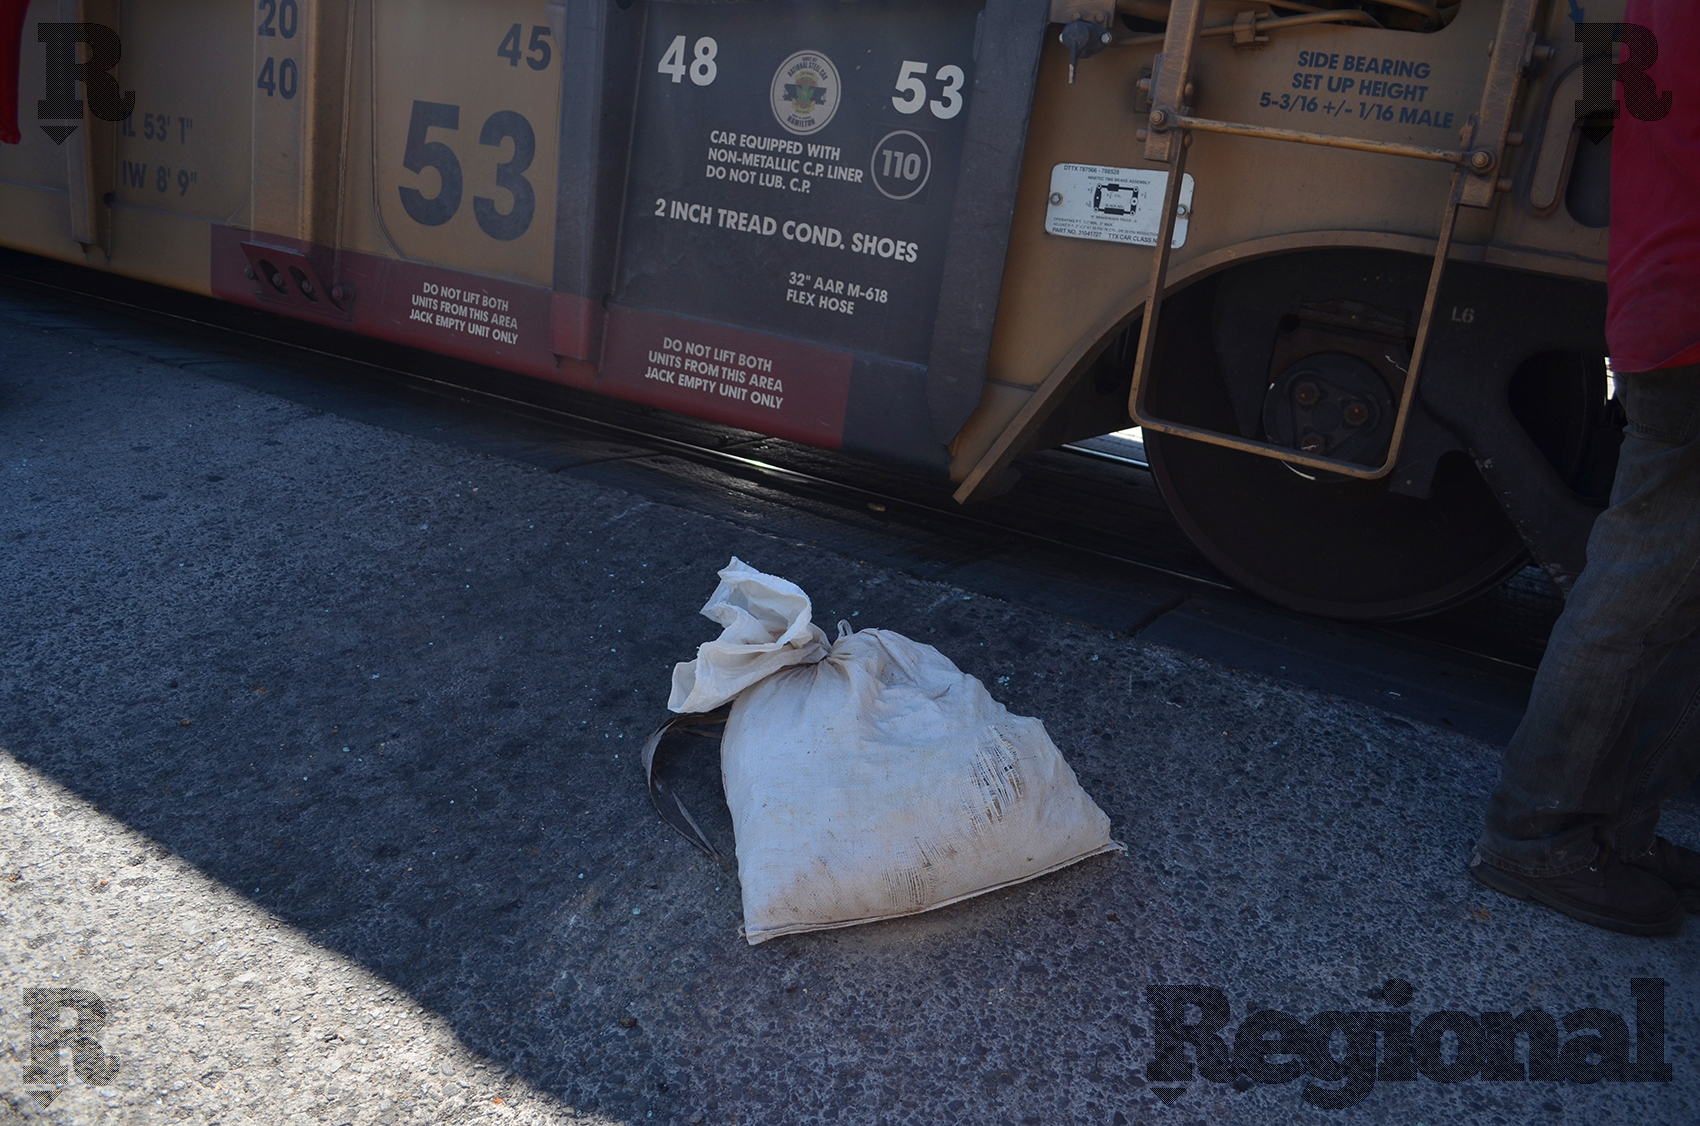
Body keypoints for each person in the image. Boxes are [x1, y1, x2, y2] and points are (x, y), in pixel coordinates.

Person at [1471, 0, 1699, 935]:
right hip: (1692, 319)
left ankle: (1617, 829)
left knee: (1670, 593)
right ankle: (1535, 840)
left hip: (1667, 299)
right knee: (1643, 588)